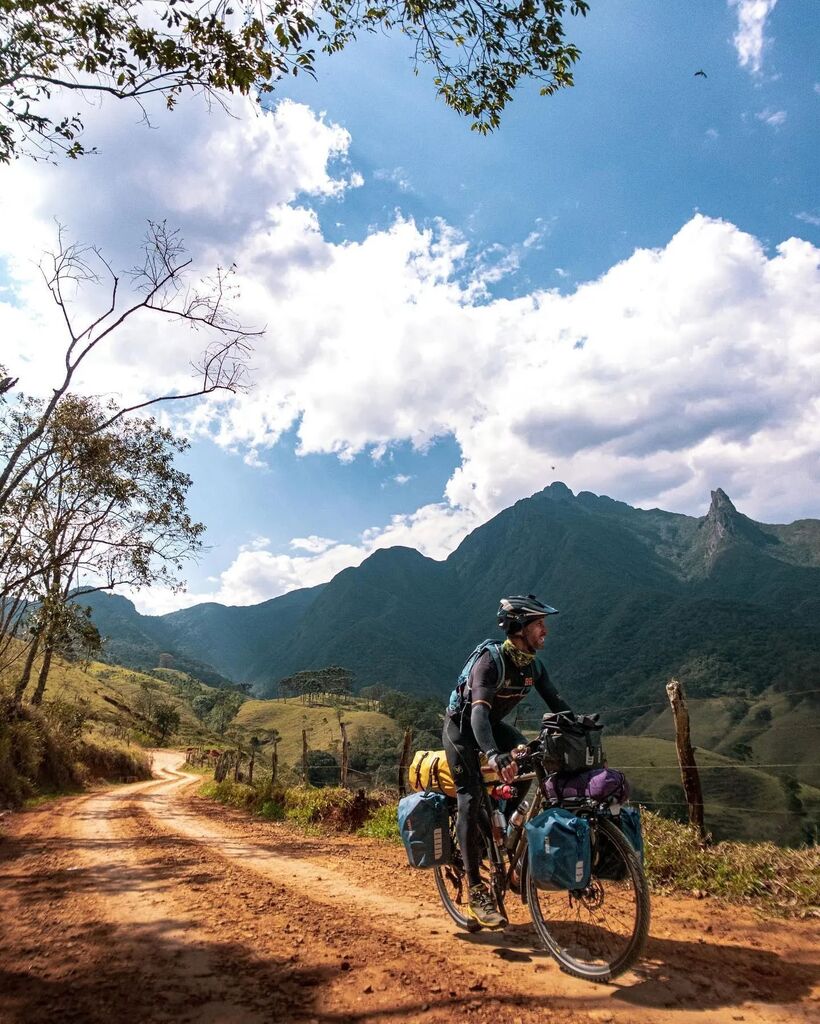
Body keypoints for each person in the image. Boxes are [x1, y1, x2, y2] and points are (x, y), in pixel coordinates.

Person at [442, 594, 572, 928]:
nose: (545, 630)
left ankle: (502, 831)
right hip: (462, 730)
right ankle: (475, 890)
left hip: (494, 729)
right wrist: (493, 755)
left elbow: (556, 702)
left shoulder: (532, 665)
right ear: (518, 628)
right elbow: (478, 716)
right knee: (470, 798)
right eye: (539, 624)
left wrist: (579, 726)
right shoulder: (490, 662)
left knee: (527, 762)